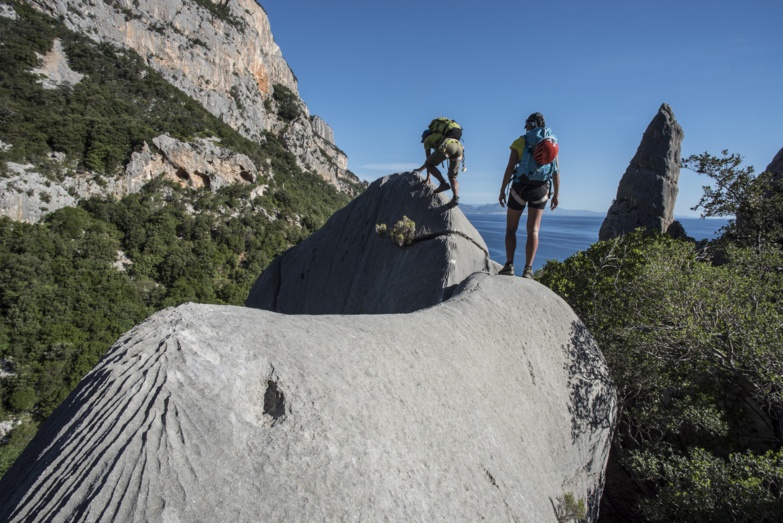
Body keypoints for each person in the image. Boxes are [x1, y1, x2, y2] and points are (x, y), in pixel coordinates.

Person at [497, 112, 560, 278]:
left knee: (511, 229)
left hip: (520, 188)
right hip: (541, 190)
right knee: (533, 229)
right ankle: (528, 270)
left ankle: (509, 266)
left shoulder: (521, 141)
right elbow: (556, 171)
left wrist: (502, 190)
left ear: (530, 124)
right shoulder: (553, 142)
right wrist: (556, 195)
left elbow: (510, 167)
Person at [413, 126, 463, 205]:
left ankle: (443, 183)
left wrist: (427, 177)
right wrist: (421, 169)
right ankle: (455, 198)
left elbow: (428, 161)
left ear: (425, 136)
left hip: (449, 145)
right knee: (452, 177)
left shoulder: (427, 140)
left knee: (428, 163)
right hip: (459, 147)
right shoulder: (440, 136)